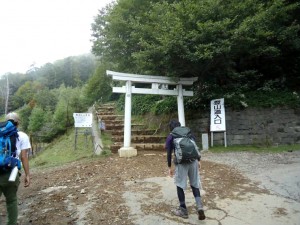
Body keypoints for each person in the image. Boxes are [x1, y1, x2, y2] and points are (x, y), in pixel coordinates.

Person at [165, 119, 205, 220]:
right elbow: (195, 146)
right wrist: (199, 159)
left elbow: (169, 153)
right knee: (195, 184)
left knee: (179, 184)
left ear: (171, 128)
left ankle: (183, 210)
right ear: (180, 125)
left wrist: (170, 167)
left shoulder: (171, 136)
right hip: (193, 161)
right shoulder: (188, 132)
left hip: (181, 163)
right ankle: (199, 206)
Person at [0, 112, 31, 225]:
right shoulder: (22, 136)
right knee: (11, 200)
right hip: (12, 172)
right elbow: (23, 157)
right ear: (17, 123)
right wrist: (27, 175)